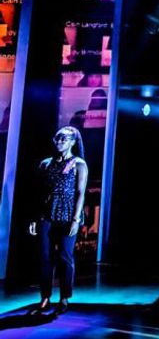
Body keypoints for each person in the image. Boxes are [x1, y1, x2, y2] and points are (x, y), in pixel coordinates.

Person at [27, 126, 88, 316]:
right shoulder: (46, 164)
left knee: (65, 257)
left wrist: (76, 219)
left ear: (72, 142)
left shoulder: (78, 164)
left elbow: (80, 193)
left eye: (64, 139)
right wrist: (34, 218)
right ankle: (45, 297)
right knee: (45, 257)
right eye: (57, 138)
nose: (59, 141)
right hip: (47, 214)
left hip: (68, 215)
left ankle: (64, 297)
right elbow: (38, 193)